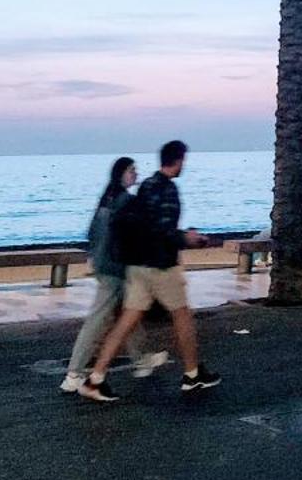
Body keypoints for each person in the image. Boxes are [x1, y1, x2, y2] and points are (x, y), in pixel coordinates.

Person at [79, 140, 220, 402]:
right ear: (178, 160)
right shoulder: (168, 189)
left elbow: (143, 225)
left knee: (125, 322)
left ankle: (95, 379)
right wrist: (186, 238)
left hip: (136, 266)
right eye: (183, 161)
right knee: (182, 315)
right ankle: (191, 374)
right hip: (160, 266)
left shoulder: (146, 186)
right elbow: (162, 230)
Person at [60, 157, 166, 392]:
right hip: (115, 268)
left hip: (103, 265)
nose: (135, 174)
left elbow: (92, 233)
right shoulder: (126, 201)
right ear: (121, 174)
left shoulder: (106, 199)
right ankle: (74, 373)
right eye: (131, 170)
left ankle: (142, 359)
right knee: (98, 320)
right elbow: (143, 230)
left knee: (127, 314)